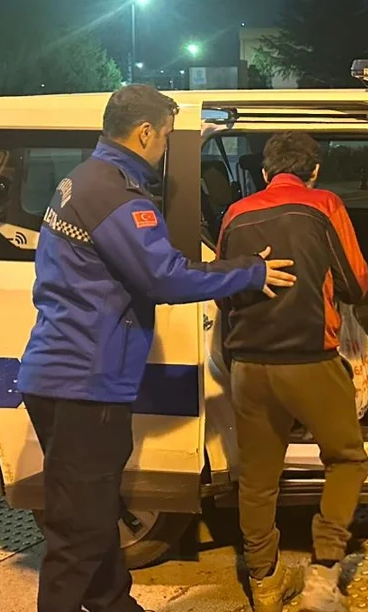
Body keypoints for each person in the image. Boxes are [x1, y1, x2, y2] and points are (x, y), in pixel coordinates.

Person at [16, 84, 297, 612]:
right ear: (144, 132)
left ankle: (115, 605)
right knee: (78, 533)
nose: (165, 147)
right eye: (166, 137)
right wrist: (248, 272)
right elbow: (164, 277)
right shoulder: (116, 195)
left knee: (93, 513)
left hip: (60, 373)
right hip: (86, 384)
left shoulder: (81, 179)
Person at [217, 131, 368, 612]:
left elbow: (224, 289)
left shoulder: (235, 213)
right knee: (347, 460)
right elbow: (356, 283)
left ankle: (264, 584)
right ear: (314, 171)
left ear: (265, 173)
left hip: (248, 367)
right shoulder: (324, 205)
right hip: (310, 362)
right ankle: (323, 572)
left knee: (258, 480)